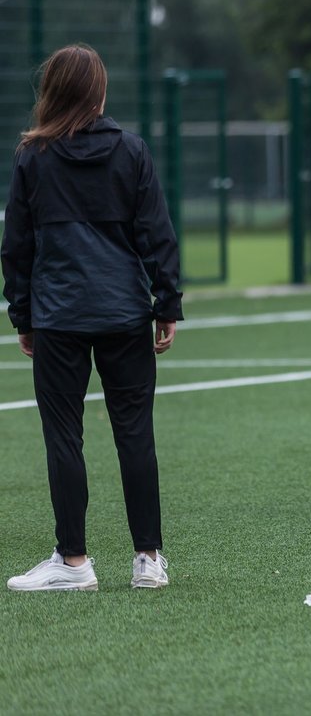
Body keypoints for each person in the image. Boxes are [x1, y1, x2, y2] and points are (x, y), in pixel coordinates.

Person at [2, 43, 181, 591]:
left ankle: (74, 563)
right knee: (136, 435)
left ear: (51, 91)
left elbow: (16, 245)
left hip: (59, 314)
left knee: (63, 437)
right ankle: (148, 560)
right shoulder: (132, 151)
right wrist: (166, 303)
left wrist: (23, 315)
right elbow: (156, 233)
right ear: (98, 90)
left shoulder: (33, 156)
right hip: (125, 311)